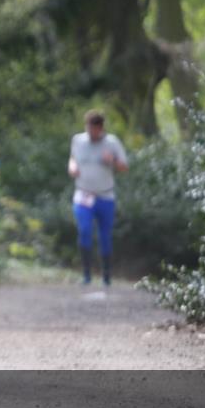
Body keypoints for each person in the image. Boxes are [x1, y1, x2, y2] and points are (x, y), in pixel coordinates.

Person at [67, 109, 129, 286]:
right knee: (84, 230)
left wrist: (113, 161)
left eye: (94, 130)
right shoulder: (78, 140)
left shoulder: (112, 142)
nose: (91, 133)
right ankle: (86, 274)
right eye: (89, 129)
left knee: (105, 236)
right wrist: (72, 167)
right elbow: (72, 158)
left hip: (105, 195)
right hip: (83, 194)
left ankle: (106, 275)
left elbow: (124, 167)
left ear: (101, 128)